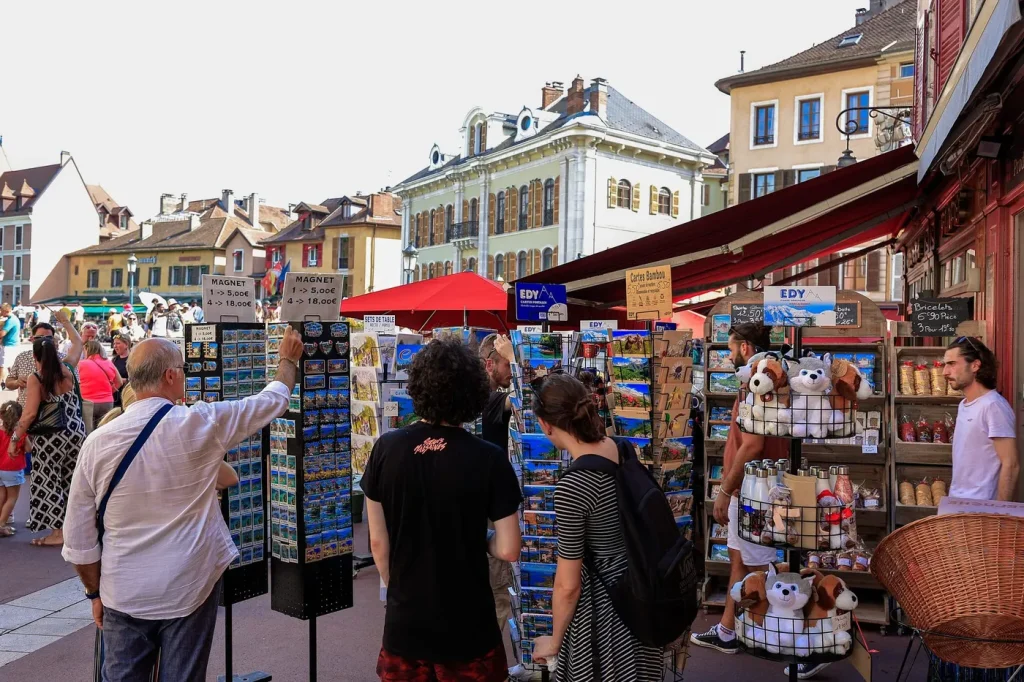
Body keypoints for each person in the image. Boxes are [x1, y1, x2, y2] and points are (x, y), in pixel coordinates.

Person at [61, 328, 304, 681]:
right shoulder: (198, 422)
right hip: (189, 585)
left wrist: (95, 592)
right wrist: (287, 360)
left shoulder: (96, 442)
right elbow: (272, 400)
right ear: (170, 376)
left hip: (123, 592)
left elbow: (79, 542)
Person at [363, 338, 523, 682]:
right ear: (473, 391)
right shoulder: (490, 459)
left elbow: (378, 544)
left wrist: (401, 590)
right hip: (470, 628)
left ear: (417, 386)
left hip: (406, 626)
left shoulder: (386, 449)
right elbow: (509, 548)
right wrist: (478, 537)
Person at [528, 374, 662, 680]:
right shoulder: (621, 448)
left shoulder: (574, 487)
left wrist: (555, 641)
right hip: (639, 596)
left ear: (546, 424)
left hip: (602, 611)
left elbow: (567, 585)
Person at [692, 324, 794, 663]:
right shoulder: (768, 379)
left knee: (761, 566)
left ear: (746, 348)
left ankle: (777, 636)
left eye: (731, 347)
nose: (727, 354)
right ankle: (727, 630)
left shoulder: (758, 384)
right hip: (755, 488)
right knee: (740, 557)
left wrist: (724, 489)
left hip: (756, 490)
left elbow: (752, 445)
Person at [477, 333, 530, 680]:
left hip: (476, 506)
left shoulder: (471, 401)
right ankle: (489, 669)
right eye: (506, 365)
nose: (511, 371)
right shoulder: (495, 401)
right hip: (492, 510)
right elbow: (526, 399)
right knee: (497, 592)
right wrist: (520, 358)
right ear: (490, 364)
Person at [11, 308, 85, 547]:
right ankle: (76, 529)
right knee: (71, 482)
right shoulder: (69, 369)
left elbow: (30, 413)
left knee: (49, 481)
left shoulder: (38, 377)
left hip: (51, 437)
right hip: (75, 433)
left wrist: (15, 438)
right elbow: (77, 343)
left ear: (35, 356)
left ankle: (58, 533)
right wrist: (65, 321)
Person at [944, 336, 1019, 501]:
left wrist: (998, 513)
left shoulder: (993, 406)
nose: (945, 372)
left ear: (975, 365)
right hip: (957, 502)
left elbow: (1011, 464)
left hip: (981, 509)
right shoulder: (964, 405)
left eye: (952, 364)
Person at [78, 340, 123, 431]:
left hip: (88, 402)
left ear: (87, 349)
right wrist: (107, 392)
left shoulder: (81, 364)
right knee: (105, 431)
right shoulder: (109, 362)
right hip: (107, 402)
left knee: (89, 432)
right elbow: (119, 382)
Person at [0, 401, 25, 536]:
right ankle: (2, 524)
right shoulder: (19, 433)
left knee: (1, 495)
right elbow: (28, 448)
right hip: (13, 468)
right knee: (12, 497)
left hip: (0, 467)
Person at [0, 303, 21, 387]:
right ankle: (14, 383)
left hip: (9, 345)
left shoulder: (10, 320)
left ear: (6, 311)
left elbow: (2, 333)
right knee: (10, 365)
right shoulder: (13, 319)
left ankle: (1, 383)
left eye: (1, 310)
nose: (0, 312)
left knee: (2, 365)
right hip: (13, 344)